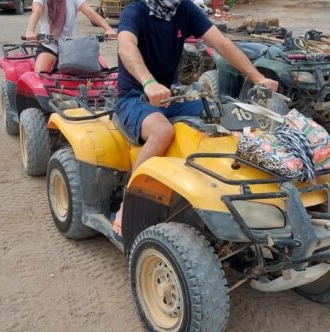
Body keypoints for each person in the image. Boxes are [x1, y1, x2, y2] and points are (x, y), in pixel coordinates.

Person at [112, 0, 278, 235]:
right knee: (162, 132)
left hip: (171, 96)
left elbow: (222, 43)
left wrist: (257, 77)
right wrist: (148, 82)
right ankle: (127, 203)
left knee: (219, 115)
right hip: (135, 96)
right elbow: (126, 47)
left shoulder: (184, 9)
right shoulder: (136, 10)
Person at [25, 0, 117, 73]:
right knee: (40, 74)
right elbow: (37, 11)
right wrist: (30, 30)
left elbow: (90, 12)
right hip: (49, 46)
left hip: (71, 47)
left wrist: (108, 29)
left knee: (98, 73)